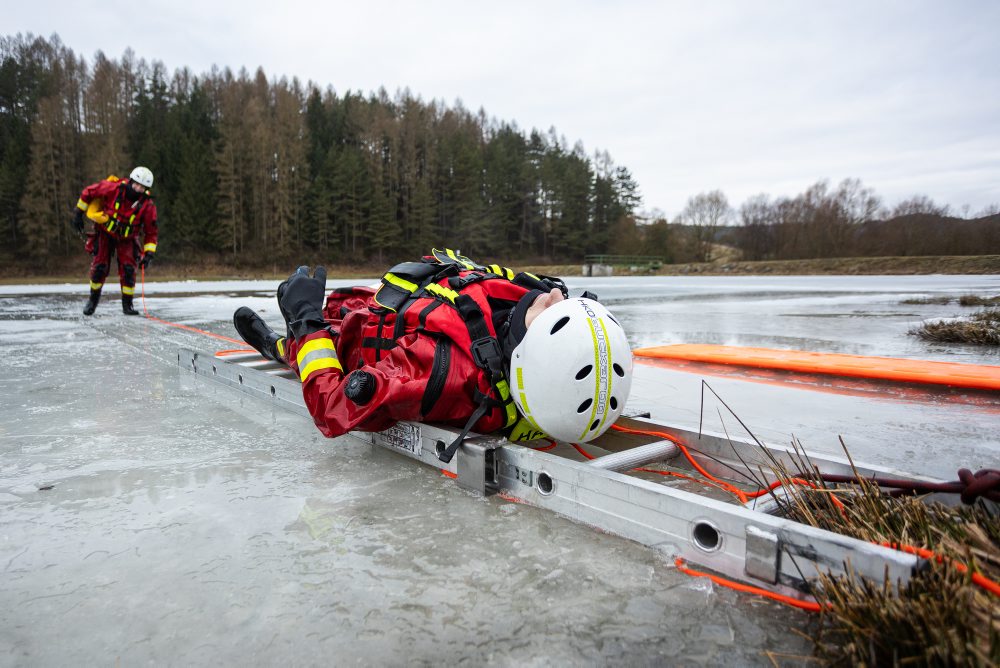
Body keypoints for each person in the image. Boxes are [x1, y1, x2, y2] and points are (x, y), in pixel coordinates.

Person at [233, 249, 633, 462]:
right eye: (564, 302)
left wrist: (305, 320)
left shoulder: (438, 375)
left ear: (530, 353)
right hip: (404, 305)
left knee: (326, 333)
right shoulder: (531, 303)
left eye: (551, 312)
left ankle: (279, 344)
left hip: (367, 341)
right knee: (350, 301)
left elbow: (333, 406)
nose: (554, 296)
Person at [71, 166, 159, 315]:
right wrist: (78, 213)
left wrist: (149, 254)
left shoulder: (147, 206)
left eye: (142, 187)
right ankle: (93, 300)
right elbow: (89, 192)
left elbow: (151, 232)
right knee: (99, 267)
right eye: (136, 184)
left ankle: (127, 305)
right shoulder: (114, 188)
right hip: (105, 233)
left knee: (128, 270)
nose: (138, 189)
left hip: (127, 239)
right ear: (131, 181)